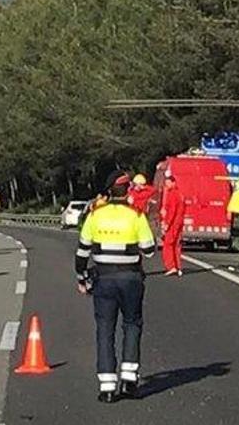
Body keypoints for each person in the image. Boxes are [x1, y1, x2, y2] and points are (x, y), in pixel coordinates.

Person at [75, 171, 156, 403]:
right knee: (132, 324)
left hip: (103, 280)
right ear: (127, 189)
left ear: (109, 190)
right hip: (131, 279)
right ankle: (129, 381)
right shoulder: (136, 215)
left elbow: (82, 252)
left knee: (105, 329)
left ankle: (107, 387)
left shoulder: (95, 215)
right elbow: (149, 250)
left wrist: (82, 278)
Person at [160, 174, 185, 277]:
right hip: (178, 222)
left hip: (173, 223)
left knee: (168, 245)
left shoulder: (173, 194)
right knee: (176, 246)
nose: (167, 185)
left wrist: (166, 224)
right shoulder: (180, 194)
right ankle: (178, 267)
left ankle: (171, 266)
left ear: (173, 182)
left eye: (168, 183)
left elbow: (172, 211)